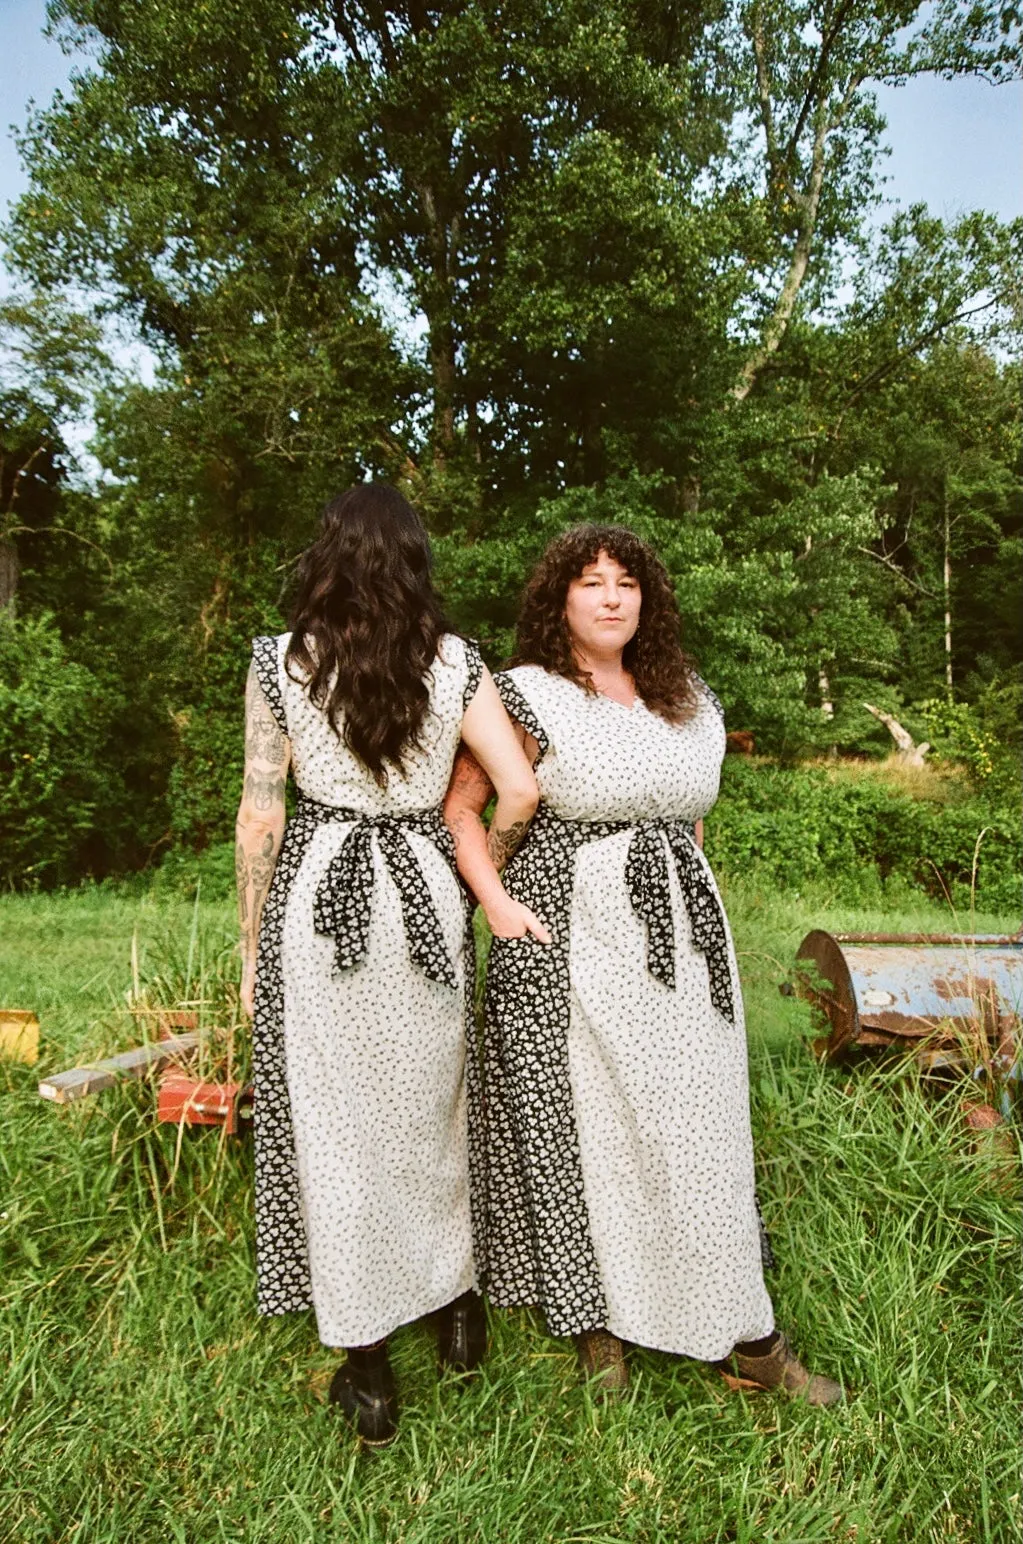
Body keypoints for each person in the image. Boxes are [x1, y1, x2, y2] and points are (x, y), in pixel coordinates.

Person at [444, 524, 843, 1405]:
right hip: (563, 936)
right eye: (590, 583)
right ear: (559, 600)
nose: (612, 597)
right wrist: (495, 903)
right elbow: (463, 810)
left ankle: (748, 1334)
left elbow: (691, 821)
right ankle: (600, 1331)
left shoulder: (687, 696)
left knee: (699, 1127)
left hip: (680, 944)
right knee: (577, 1129)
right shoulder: (524, 694)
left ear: (647, 600)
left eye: (626, 582)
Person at [235, 483, 548, 1447]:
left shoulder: (279, 661)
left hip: (320, 895)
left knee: (333, 1124)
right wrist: (482, 868)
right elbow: (521, 785)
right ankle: (457, 1314)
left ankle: (367, 1368)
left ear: (323, 555)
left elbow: (261, 814)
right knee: (431, 1103)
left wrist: (250, 951)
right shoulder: (454, 661)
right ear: (415, 559)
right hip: (419, 888)